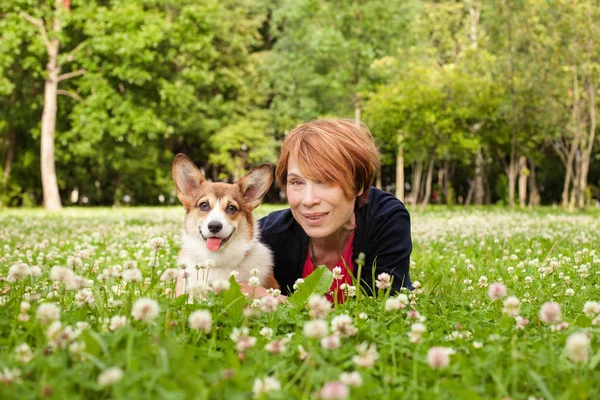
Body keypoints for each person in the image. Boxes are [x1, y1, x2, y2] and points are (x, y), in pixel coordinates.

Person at [240, 118, 413, 302]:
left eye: (325, 181)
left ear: (359, 185)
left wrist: (276, 302)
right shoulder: (269, 235)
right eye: (296, 182)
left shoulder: (385, 219)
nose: (308, 200)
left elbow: (388, 309)